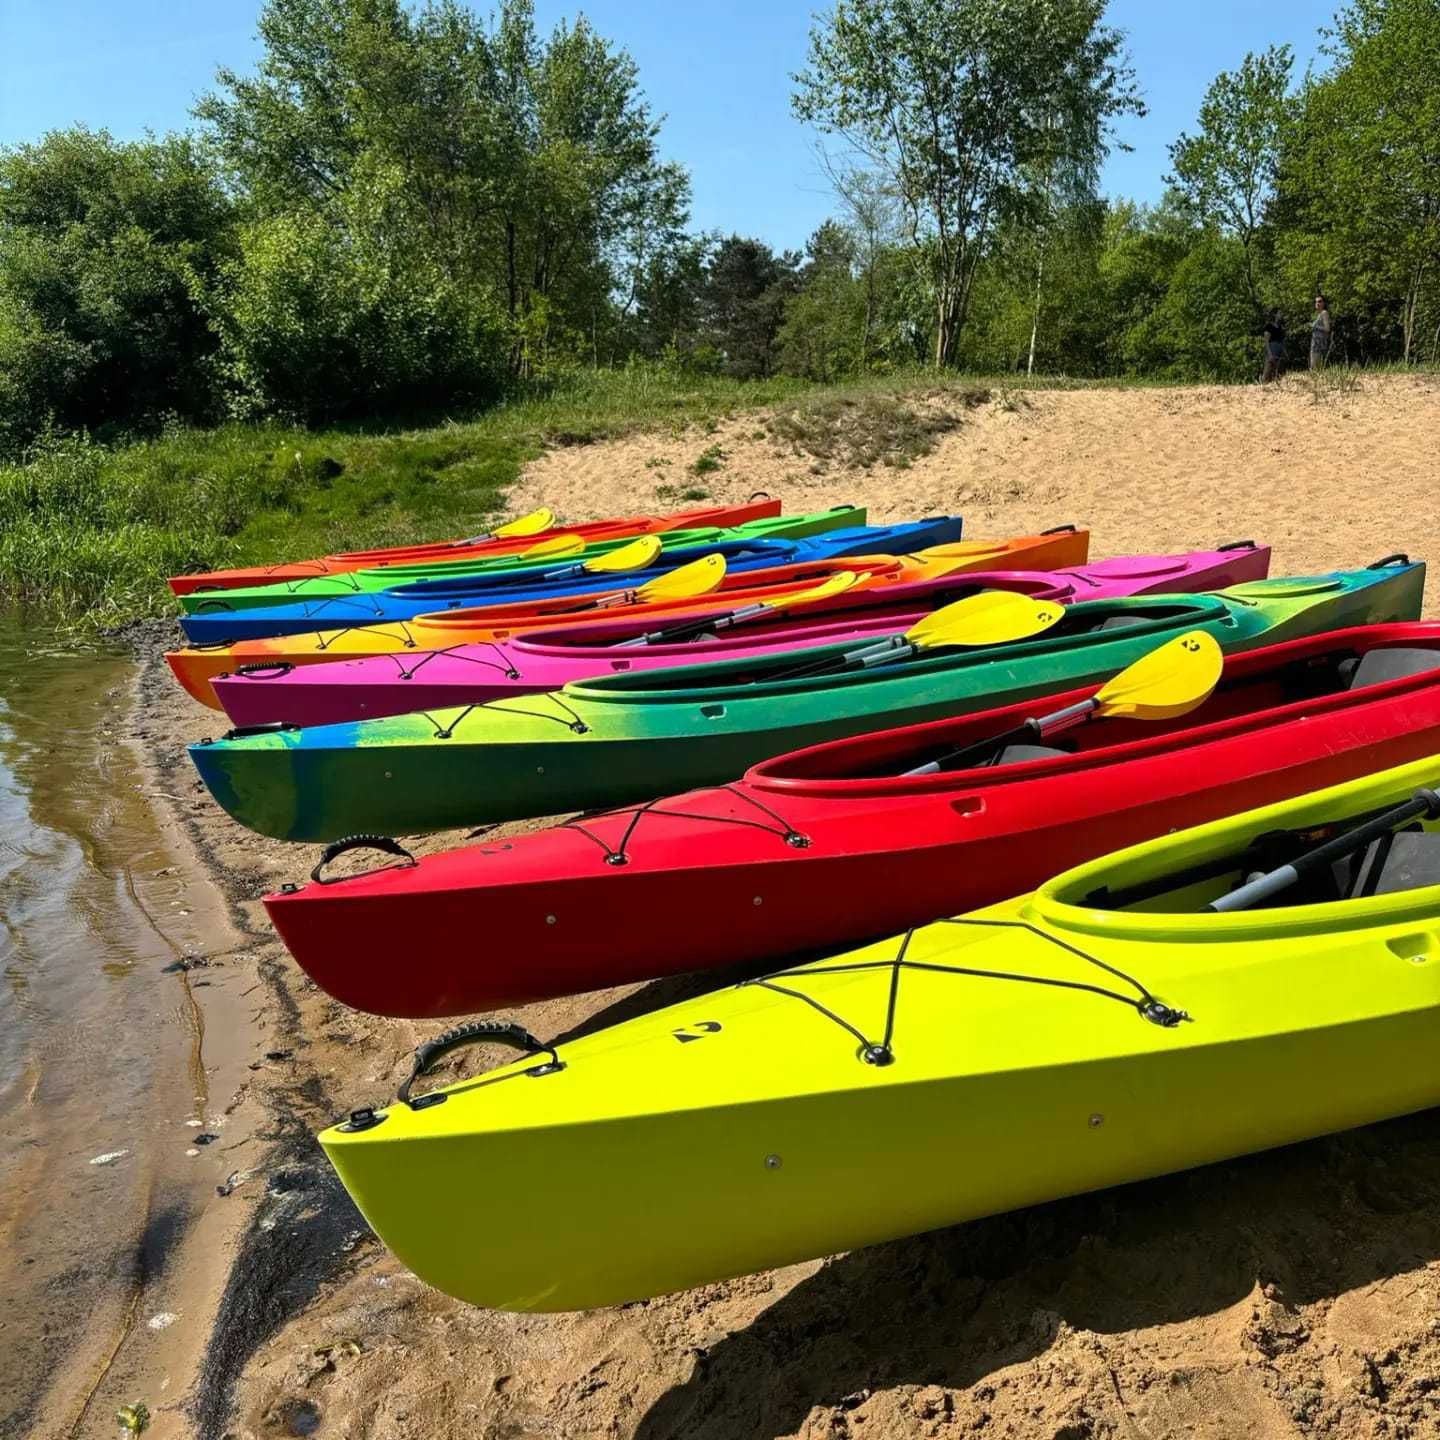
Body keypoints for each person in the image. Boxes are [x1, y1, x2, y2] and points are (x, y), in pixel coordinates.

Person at [1261, 308, 1286, 382]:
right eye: (1279, 313)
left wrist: (1285, 353)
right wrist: (1270, 354)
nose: (1281, 315)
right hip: (1272, 352)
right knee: (1267, 373)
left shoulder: (1281, 328)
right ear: (1275, 315)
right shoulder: (1269, 326)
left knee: (1278, 375)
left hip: (1279, 353)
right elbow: (1266, 341)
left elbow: (1282, 342)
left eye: (1282, 314)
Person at [1310, 294, 1332, 370]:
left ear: (1324, 303)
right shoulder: (1319, 314)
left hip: (1319, 345)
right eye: (1316, 302)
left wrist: (1315, 326)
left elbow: (1327, 328)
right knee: (1314, 367)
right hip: (1315, 344)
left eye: (1320, 301)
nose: (1317, 303)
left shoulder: (1324, 313)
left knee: (1316, 368)